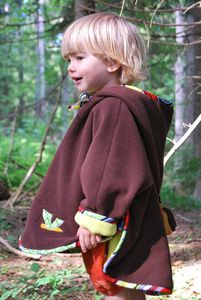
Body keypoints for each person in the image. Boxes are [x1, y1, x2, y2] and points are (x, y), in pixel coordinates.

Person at [19, 12, 174, 300]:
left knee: (114, 285)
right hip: (127, 214)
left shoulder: (113, 107)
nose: (70, 67)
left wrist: (95, 217)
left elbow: (109, 168)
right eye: (68, 60)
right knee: (124, 287)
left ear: (112, 62)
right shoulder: (129, 104)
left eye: (79, 58)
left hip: (113, 219)